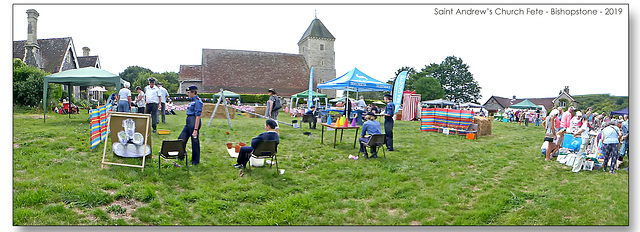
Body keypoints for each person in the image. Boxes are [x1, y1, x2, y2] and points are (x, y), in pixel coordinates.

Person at [179, 86, 203, 166]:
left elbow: (198, 116)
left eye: (189, 92)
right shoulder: (192, 101)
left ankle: (195, 161)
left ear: (193, 92)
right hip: (188, 121)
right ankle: (180, 157)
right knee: (181, 139)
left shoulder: (198, 102)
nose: (187, 94)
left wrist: (195, 129)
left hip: (194, 122)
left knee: (195, 142)